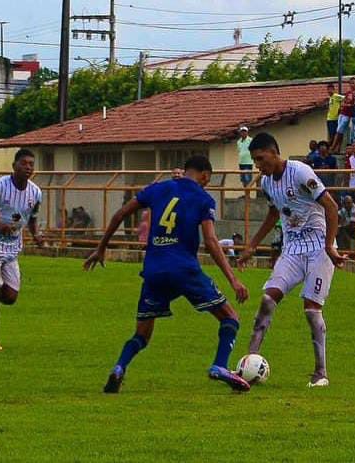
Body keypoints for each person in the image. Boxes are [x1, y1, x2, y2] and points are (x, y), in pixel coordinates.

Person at [85, 155, 251, 393]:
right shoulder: (203, 198)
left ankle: (119, 367)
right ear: (205, 175)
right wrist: (234, 280)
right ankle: (219, 366)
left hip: (154, 270)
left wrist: (101, 248)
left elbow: (119, 215)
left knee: (142, 334)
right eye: (208, 180)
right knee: (230, 318)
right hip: (184, 269)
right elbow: (212, 241)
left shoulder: (158, 188)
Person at [238, 132, 346, 388]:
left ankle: (321, 372)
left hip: (320, 248)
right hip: (293, 249)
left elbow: (331, 206)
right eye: (254, 161)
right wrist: (252, 244)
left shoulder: (299, 172)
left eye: (261, 159)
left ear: (274, 153)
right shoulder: (266, 182)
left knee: (311, 310)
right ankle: (248, 362)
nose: (258, 165)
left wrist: (330, 245)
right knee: (267, 298)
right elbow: (274, 213)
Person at [0, 149, 44, 351]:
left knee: (10, 297)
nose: (28, 167)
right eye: (24, 163)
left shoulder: (35, 192)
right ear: (14, 165)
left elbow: (32, 218)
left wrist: (37, 236)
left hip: (12, 248)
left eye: (31, 164)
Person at [330, 78, 355, 153]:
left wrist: (349, 104)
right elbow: (344, 102)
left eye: (353, 83)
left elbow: (354, 104)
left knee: (340, 130)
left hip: (349, 114)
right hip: (343, 112)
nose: (352, 85)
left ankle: (333, 147)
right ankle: (338, 148)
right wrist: (344, 105)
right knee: (340, 131)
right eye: (351, 83)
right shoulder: (348, 92)